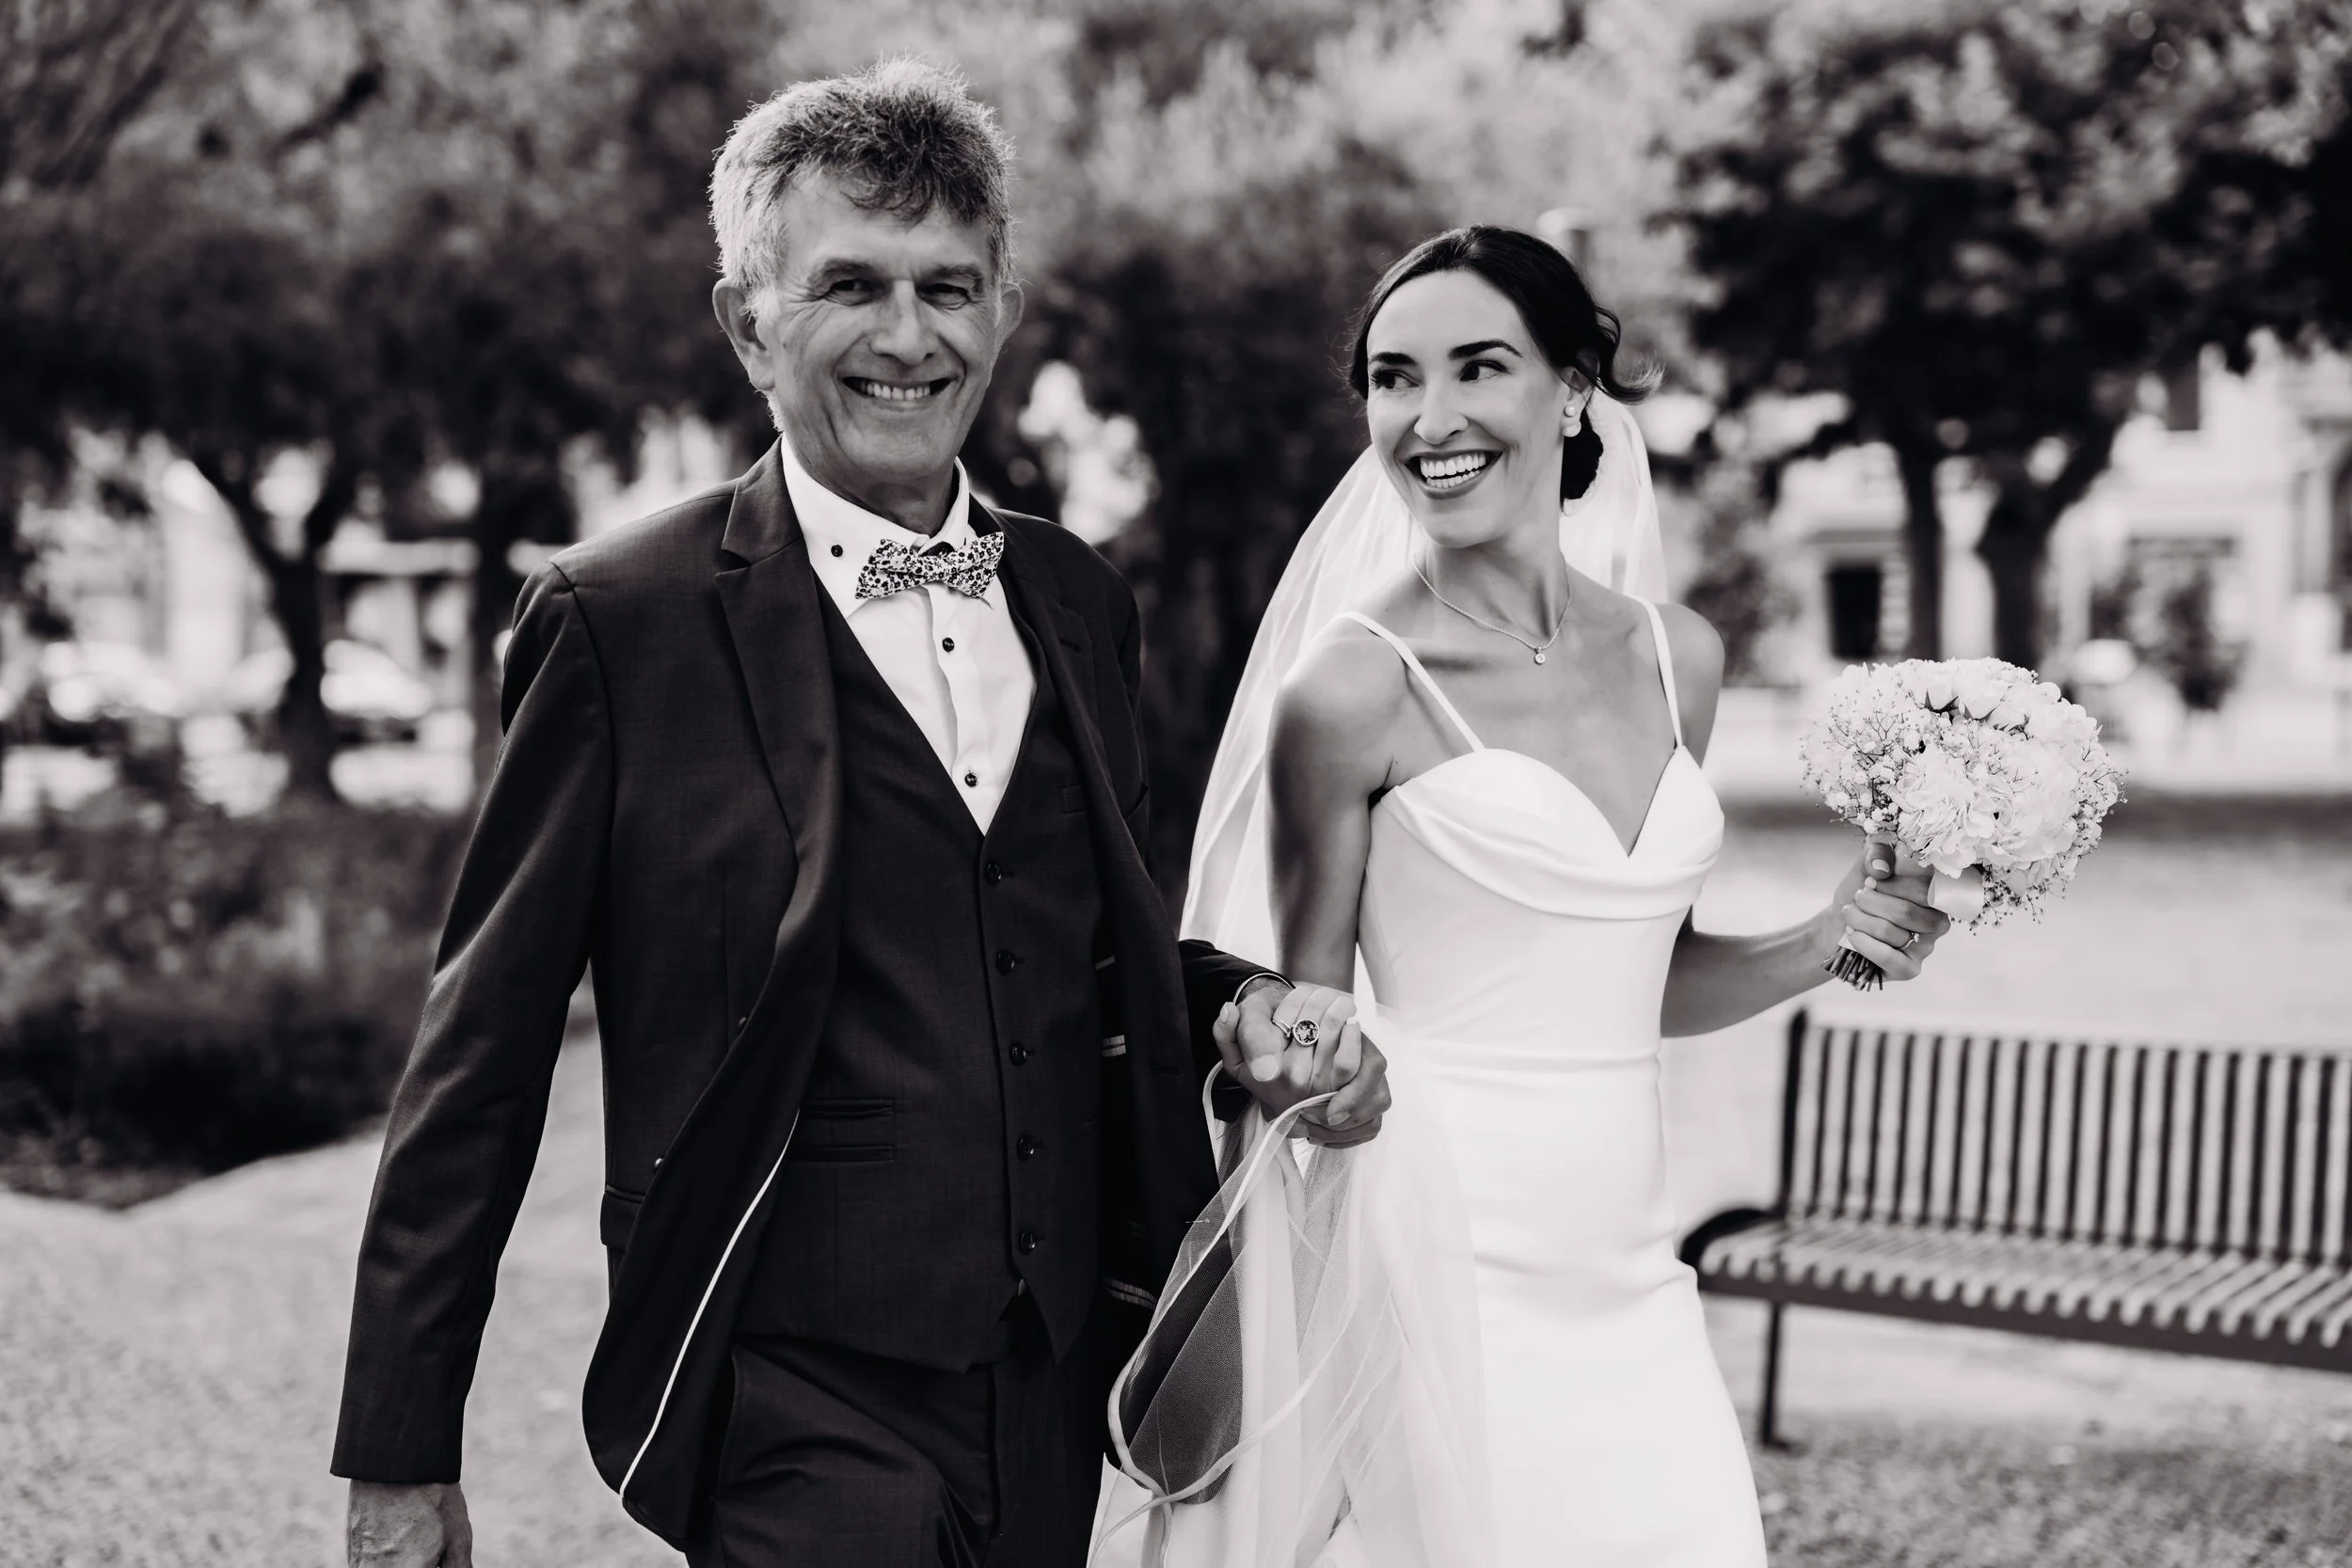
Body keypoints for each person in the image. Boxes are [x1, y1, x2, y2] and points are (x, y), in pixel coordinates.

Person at [331, 60, 1388, 1568]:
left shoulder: (1080, 601)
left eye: (949, 287)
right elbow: (482, 1048)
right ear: (747, 323)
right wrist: (399, 1447)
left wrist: (1253, 1012)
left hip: (1053, 1375)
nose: (911, 336)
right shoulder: (618, 620)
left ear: (1005, 313)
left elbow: (1093, 956)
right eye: (851, 286)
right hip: (784, 1379)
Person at [1126, 226, 1952, 1567]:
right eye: (1396, 379)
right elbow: (1303, 1014)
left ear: (1572, 391)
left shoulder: (1678, 655)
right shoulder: (1352, 688)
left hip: (1633, 1261)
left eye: (1478, 367)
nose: (1429, 418)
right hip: (1439, 1252)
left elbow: (1645, 972)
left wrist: (1828, 939)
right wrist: (1292, 1073)